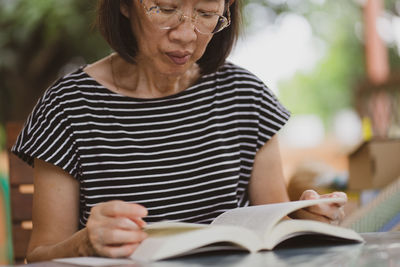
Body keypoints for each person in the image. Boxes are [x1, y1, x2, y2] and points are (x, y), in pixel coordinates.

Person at [12, 0, 347, 262]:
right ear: (125, 5)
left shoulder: (246, 97)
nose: (186, 35)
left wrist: (306, 220)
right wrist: (85, 244)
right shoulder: (70, 105)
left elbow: (275, 231)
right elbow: (39, 255)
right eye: (166, 8)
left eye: (205, 13)